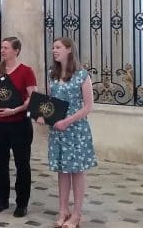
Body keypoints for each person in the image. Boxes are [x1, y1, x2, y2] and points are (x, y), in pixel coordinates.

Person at [44, 37, 97, 228]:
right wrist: (43, 116)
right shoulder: (53, 74)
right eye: (53, 48)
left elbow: (88, 106)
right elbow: (50, 102)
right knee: (62, 171)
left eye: (58, 47)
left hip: (76, 130)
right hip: (57, 129)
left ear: (68, 50)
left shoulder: (82, 75)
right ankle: (63, 210)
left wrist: (67, 121)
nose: (54, 51)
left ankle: (77, 214)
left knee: (77, 171)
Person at [0, 36, 37, 218]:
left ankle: (22, 203)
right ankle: (2, 200)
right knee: (0, 162)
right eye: (2, 47)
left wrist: (15, 110)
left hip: (19, 124)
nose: (3, 50)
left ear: (16, 50)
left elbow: (33, 98)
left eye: (6, 47)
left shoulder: (26, 71)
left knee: (22, 164)